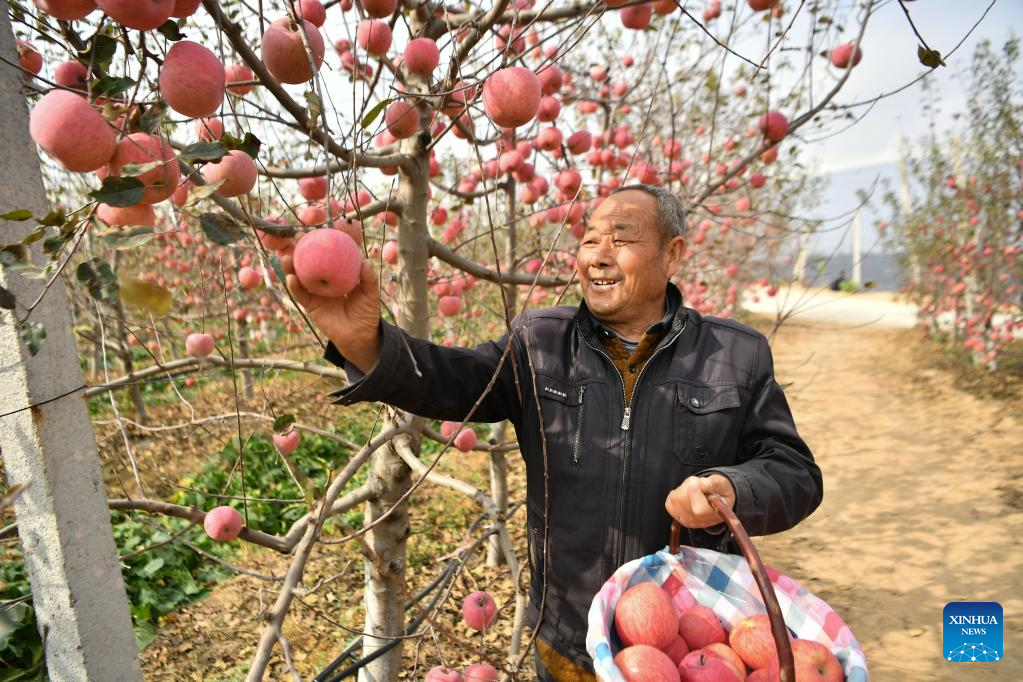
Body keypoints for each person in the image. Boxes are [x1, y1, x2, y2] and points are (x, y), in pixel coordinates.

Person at [286, 185, 823, 681]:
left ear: (673, 254)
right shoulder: (540, 343)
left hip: (685, 645)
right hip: (569, 636)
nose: (597, 256)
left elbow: (794, 472)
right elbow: (455, 382)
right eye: (589, 240)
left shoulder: (735, 355)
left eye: (621, 240)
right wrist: (367, 345)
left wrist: (733, 488)